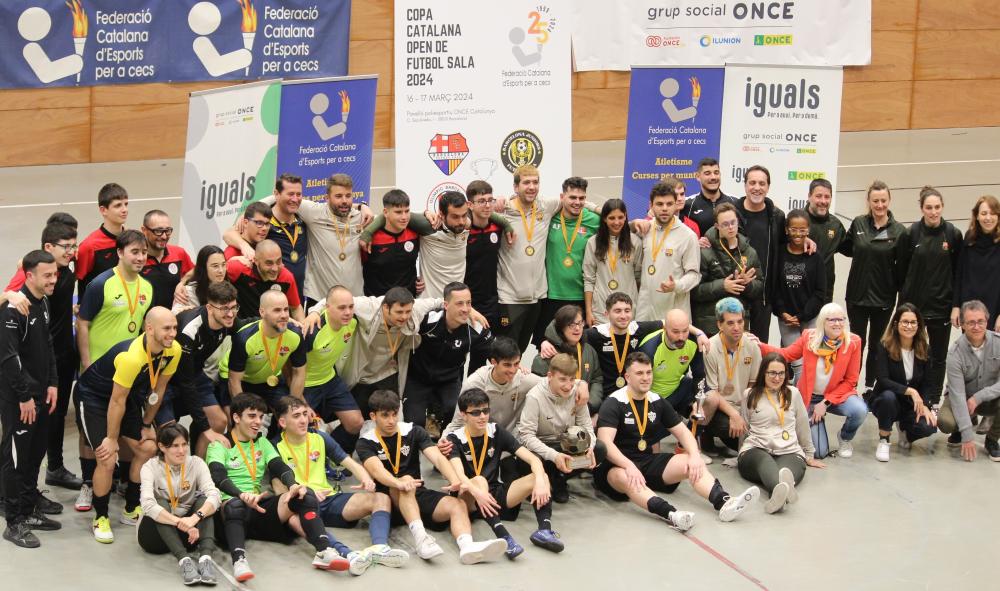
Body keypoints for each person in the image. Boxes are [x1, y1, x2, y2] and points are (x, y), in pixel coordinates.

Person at [207, 393, 364, 582]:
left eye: (260, 417)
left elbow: (279, 467)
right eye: (251, 416)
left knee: (304, 495)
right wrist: (241, 495)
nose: (258, 422)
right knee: (234, 505)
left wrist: (294, 485)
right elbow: (217, 476)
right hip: (229, 511)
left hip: (258, 507)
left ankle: (324, 551)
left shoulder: (262, 443)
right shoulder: (220, 445)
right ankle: (239, 561)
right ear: (236, 417)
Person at [594, 352, 758, 529]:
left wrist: (695, 455)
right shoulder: (614, 402)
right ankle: (672, 514)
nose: (645, 378)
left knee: (690, 461)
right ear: (627, 377)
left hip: (647, 461)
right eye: (639, 373)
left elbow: (683, 433)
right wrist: (628, 465)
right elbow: (606, 444)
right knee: (625, 476)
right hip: (617, 467)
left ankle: (724, 502)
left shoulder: (656, 401)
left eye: (648, 372)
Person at [356, 389, 509, 564]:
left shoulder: (413, 431)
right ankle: (422, 540)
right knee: (406, 481)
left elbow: (436, 456)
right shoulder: (365, 441)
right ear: (373, 416)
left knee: (457, 504)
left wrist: (455, 481)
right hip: (389, 500)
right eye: (385, 416)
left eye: (395, 414)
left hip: (416, 493)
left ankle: (468, 547)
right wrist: (398, 483)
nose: (392, 420)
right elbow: (377, 471)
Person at [75, 307, 180, 543]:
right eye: (167, 328)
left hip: (125, 397)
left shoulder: (173, 351)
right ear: (149, 328)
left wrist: (145, 423)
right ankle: (100, 517)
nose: (172, 333)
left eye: (174, 327)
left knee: (147, 448)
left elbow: (159, 389)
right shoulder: (131, 356)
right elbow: (116, 400)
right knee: (106, 457)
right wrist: (111, 439)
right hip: (94, 397)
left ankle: (132, 508)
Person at [275, 397, 409, 572]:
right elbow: (278, 488)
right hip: (302, 505)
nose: (303, 420)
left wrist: (366, 479)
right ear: (283, 422)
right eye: (296, 416)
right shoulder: (274, 446)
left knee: (381, 498)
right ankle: (346, 554)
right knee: (292, 520)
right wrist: (305, 494)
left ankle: (380, 548)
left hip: (329, 499)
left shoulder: (320, 438)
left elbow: (350, 463)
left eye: (305, 414)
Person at [4, 223, 83, 490]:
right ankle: (14, 500)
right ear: (48, 247)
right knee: (21, 440)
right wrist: (9, 294)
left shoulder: (68, 266)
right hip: (28, 368)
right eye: (67, 246)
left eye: (75, 245)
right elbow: (8, 301)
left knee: (54, 419)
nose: (72, 251)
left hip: (56, 359)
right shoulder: (32, 276)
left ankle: (53, 469)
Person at [449, 388, 562, 558]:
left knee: (541, 476)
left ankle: (544, 530)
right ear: (464, 415)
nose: (482, 416)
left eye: (486, 411)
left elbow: (533, 459)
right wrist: (478, 492)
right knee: (479, 480)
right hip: (469, 497)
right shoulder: (454, 439)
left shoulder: (496, 431)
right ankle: (504, 537)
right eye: (476, 413)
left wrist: (539, 481)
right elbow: (461, 477)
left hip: (494, 493)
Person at [1, 251, 60, 548]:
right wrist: (24, 396)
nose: (53, 279)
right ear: (30, 276)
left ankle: (28, 509)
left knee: (35, 455)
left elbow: (47, 344)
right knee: (15, 461)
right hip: (18, 400)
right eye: (47, 275)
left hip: (40, 395)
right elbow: (9, 358)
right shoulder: (13, 309)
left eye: (55, 274)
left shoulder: (43, 302)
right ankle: (13, 522)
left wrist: (52, 383)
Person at [360, 190, 512, 300]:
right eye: (455, 217)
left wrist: (506, 225)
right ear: (441, 214)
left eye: (463, 216)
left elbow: (483, 211)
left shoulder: (466, 223)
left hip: (457, 303)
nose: (460, 221)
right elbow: (390, 216)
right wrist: (368, 231)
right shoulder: (429, 227)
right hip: (427, 304)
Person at [759, 303, 865, 459]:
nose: (837, 324)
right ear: (822, 321)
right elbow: (786, 354)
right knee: (819, 453)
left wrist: (825, 403)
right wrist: (759, 345)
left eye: (841, 319)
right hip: (811, 397)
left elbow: (851, 381)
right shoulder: (809, 337)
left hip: (836, 397)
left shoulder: (853, 342)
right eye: (832, 320)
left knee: (860, 411)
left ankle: (845, 438)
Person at [245, 174, 372, 301]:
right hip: (320, 299)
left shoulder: (362, 218)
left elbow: (387, 215)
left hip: (355, 298)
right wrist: (250, 212)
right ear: (326, 198)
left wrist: (364, 210)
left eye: (348, 196)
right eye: (338, 196)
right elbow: (281, 198)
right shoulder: (313, 212)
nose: (344, 200)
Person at [897, 186, 963, 404]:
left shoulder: (953, 234)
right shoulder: (911, 234)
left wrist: (955, 305)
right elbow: (902, 271)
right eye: (929, 207)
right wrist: (903, 306)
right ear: (921, 208)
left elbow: (958, 273)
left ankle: (933, 401)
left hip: (942, 308)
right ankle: (912, 399)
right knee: (912, 354)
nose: (933, 212)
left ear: (942, 207)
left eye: (937, 207)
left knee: (938, 358)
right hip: (915, 309)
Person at [738, 353, 824, 514]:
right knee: (766, 463)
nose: (777, 378)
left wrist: (809, 454)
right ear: (763, 373)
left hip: (789, 450)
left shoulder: (793, 393)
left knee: (786, 473)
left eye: (781, 373)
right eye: (772, 373)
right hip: (756, 449)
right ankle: (784, 490)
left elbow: (802, 425)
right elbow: (745, 426)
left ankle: (778, 496)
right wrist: (739, 454)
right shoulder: (750, 394)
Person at [842, 180, 907, 390]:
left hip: (883, 299)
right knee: (856, 345)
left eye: (883, 201)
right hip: (857, 298)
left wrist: (899, 298)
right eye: (875, 201)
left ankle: (871, 387)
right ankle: (850, 386)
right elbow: (846, 247)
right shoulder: (858, 223)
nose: (879, 205)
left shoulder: (899, 231)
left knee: (877, 346)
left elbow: (903, 269)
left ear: (889, 201)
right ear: (868, 202)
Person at [164, 282, 241, 457]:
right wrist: (204, 427)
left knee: (219, 422)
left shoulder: (229, 320)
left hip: (195, 373)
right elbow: (186, 383)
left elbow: (248, 326)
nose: (230, 314)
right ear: (209, 308)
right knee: (169, 434)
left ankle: (199, 472)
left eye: (233, 307)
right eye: (224, 309)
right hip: (166, 379)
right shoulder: (189, 331)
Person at [137, 424, 220, 585]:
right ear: (161, 446)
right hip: (154, 537)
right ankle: (184, 560)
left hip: (189, 536)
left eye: (184, 444)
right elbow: (147, 504)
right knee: (159, 503)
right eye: (175, 446)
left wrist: (196, 517)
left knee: (205, 502)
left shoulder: (196, 463)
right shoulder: (150, 467)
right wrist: (182, 523)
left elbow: (215, 495)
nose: (181, 451)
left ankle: (205, 559)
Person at [518, 354, 605, 503]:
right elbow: (526, 436)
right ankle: (546, 477)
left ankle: (560, 477)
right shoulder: (535, 397)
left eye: (572, 379)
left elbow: (587, 427)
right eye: (563, 379)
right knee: (525, 462)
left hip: (566, 445)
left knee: (599, 450)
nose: (568, 385)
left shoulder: (578, 393)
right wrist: (553, 456)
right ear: (550, 376)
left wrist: (589, 447)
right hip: (541, 446)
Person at [404, 282, 493, 428]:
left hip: (449, 380)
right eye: (459, 304)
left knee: (455, 413)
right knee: (414, 423)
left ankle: (443, 440)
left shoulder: (476, 327)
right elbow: (407, 309)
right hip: (417, 379)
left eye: (469, 303)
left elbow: (496, 351)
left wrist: (514, 364)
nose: (465, 309)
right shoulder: (427, 320)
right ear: (446, 305)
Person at [496, 165, 562, 352]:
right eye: (526, 183)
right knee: (506, 352)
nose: (532, 187)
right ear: (516, 187)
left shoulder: (546, 206)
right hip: (510, 297)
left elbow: (575, 201)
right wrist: (498, 201)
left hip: (537, 297)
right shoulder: (503, 210)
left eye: (535, 182)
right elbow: (474, 210)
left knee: (521, 349)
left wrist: (598, 208)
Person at [535, 177, 601, 345]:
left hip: (581, 296)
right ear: (562, 197)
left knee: (580, 348)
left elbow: (618, 221)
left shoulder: (594, 220)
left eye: (581, 198)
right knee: (548, 348)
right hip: (552, 296)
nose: (577, 202)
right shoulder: (550, 217)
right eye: (572, 197)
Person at [870, 304, 938, 462]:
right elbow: (883, 379)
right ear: (896, 324)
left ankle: (905, 430)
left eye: (913, 322)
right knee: (888, 397)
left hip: (909, 404)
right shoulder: (884, 346)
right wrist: (911, 391)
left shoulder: (925, 349)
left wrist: (927, 406)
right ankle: (884, 440)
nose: (909, 326)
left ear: (919, 325)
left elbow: (928, 382)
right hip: (886, 400)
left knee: (930, 426)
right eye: (905, 322)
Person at [77, 229, 153, 367]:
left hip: (127, 366)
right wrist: (87, 363)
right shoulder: (101, 284)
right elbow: (82, 323)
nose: (141, 257)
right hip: (98, 365)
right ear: (120, 253)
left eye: (144, 252)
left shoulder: (147, 287)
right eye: (135, 252)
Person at [301, 286, 363, 453]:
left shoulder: (353, 322)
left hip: (329, 378)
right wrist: (298, 397)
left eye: (350, 307)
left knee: (355, 422)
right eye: (342, 308)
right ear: (327, 307)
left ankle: (332, 455)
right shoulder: (312, 330)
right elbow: (289, 367)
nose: (348, 312)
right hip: (305, 383)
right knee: (301, 427)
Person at [937, 300, 1000, 462]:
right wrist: (967, 434)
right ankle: (959, 427)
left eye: (980, 321)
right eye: (971, 322)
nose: (976, 326)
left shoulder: (998, 343)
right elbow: (957, 395)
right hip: (961, 398)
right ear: (963, 325)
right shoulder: (955, 353)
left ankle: (992, 439)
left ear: (987, 321)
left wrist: (978, 397)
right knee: (945, 422)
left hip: (988, 399)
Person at [700, 298, 762, 457]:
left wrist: (746, 415)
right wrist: (734, 415)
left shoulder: (752, 346)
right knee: (726, 428)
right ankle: (705, 433)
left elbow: (754, 386)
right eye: (730, 323)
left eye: (740, 322)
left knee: (757, 434)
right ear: (719, 324)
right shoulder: (710, 348)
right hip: (718, 406)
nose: (737, 328)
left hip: (742, 405)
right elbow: (712, 394)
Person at [582, 293, 664, 413]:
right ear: (607, 314)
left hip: (632, 395)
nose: (623, 316)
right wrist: (547, 342)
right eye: (617, 311)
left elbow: (671, 322)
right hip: (604, 396)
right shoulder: (597, 334)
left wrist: (699, 333)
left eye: (627, 311)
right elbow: (568, 334)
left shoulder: (637, 329)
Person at [226, 291, 306, 412]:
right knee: (243, 421)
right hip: (243, 382)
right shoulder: (244, 338)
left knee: (291, 414)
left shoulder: (295, 335)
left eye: (286, 309)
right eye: (277, 310)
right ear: (262, 312)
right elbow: (234, 381)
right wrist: (243, 413)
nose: (284, 315)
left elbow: (299, 373)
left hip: (271, 380)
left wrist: (293, 408)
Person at [691, 203, 763, 337]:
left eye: (733, 222)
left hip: (739, 325)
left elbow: (759, 288)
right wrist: (722, 286)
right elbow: (694, 291)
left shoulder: (750, 252)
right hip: (710, 325)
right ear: (717, 226)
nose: (730, 228)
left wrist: (747, 284)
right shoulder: (704, 251)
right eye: (725, 224)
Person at [732, 165, 786, 341]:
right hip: (736, 293)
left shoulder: (777, 216)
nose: (757, 187)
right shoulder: (731, 213)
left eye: (762, 183)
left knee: (759, 350)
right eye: (752, 182)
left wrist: (806, 239)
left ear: (768, 187)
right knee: (733, 349)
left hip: (763, 297)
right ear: (745, 185)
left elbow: (788, 244)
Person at [773, 209, 827, 379]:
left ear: (808, 230)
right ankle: (797, 403)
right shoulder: (779, 253)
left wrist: (803, 315)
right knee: (798, 365)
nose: (798, 234)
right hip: (786, 319)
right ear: (787, 230)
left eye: (802, 230)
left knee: (810, 364)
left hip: (809, 318)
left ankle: (805, 402)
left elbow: (820, 292)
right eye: (794, 229)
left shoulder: (815, 256)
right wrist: (782, 312)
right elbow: (774, 287)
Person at [636, 181, 700, 322]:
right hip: (644, 312)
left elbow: (694, 275)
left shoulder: (688, 236)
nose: (664, 208)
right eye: (659, 204)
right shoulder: (645, 230)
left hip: (674, 315)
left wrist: (676, 285)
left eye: (669, 204)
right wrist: (632, 223)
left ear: (676, 204)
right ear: (651, 206)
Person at [533, 305, 603, 416]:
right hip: (554, 414)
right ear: (561, 327)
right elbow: (539, 387)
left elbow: (597, 378)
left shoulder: (589, 350)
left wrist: (590, 405)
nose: (577, 328)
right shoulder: (547, 353)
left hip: (584, 409)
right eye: (571, 325)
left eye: (580, 323)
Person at [638, 308, 708, 418]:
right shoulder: (649, 348)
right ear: (665, 329)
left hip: (677, 390)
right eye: (675, 332)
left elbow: (699, 375)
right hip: (652, 399)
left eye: (685, 331)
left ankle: (694, 433)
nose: (681, 337)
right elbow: (638, 387)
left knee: (710, 397)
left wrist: (697, 403)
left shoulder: (694, 342)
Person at [583, 199, 643, 326]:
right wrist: (589, 311)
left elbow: (639, 277)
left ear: (626, 216)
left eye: (621, 217)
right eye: (611, 218)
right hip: (600, 310)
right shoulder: (593, 242)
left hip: (627, 311)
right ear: (604, 218)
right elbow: (589, 279)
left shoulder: (635, 242)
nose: (617, 222)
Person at [951, 195, 1000, 331]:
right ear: (977, 216)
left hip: (995, 308)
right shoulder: (969, 238)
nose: (988, 218)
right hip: (970, 309)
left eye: (992, 213)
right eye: (984, 213)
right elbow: (959, 274)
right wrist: (956, 306)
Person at [362, 189, 422, 297]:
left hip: (408, 303)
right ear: (385, 212)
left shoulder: (415, 233)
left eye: (407, 211)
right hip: (377, 304)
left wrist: (422, 279)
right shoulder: (371, 239)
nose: (404, 217)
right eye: (398, 212)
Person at [225, 239, 303, 321]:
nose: (275, 268)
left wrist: (302, 329)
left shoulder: (286, 277)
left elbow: (296, 308)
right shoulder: (238, 268)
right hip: (244, 328)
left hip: (274, 329)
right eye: (269, 263)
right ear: (256, 260)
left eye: (278, 262)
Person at [465, 180, 507, 327]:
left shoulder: (498, 227)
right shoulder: (462, 230)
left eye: (490, 200)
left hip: (494, 300)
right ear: (470, 205)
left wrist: (507, 199)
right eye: (482, 201)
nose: (488, 205)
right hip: (468, 302)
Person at [76, 182, 129, 297]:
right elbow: (80, 280)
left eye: (126, 204)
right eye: (118, 205)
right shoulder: (89, 246)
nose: (124, 209)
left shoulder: (132, 240)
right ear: (103, 210)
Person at [139, 210, 194, 310]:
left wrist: (182, 282)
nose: (164, 236)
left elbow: (197, 271)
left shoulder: (179, 253)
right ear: (144, 230)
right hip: (146, 322)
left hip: (174, 321)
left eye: (167, 231)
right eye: (158, 231)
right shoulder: (137, 260)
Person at [804, 179, 847, 304]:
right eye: (818, 196)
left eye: (827, 197)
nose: (823, 201)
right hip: (797, 292)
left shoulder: (835, 225)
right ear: (809, 196)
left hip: (824, 294)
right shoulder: (796, 221)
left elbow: (851, 248)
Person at [265, 174, 308, 296]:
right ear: (277, 194)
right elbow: (230, 234)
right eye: (290, 194)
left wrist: (361, 206)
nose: (295, 199)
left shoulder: (303, 219)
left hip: (297, 297)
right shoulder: (264, 222)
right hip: (271, 298)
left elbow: (329, 208)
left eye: (298, 194)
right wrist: (244, 246)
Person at [681, 158, 737, 235]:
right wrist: (696, 241)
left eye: (716, 173)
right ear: (697, 176)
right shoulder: (687, 205)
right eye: (707, 173)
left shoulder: (735, 202)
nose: (713, 177)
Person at [172, 244, 226, 314]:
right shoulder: (189, 292)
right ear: (203, 268)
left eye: (223, 264)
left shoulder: (228, 287)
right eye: (215, 266)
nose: (221, 270)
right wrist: (188, 313)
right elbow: (175, 313)